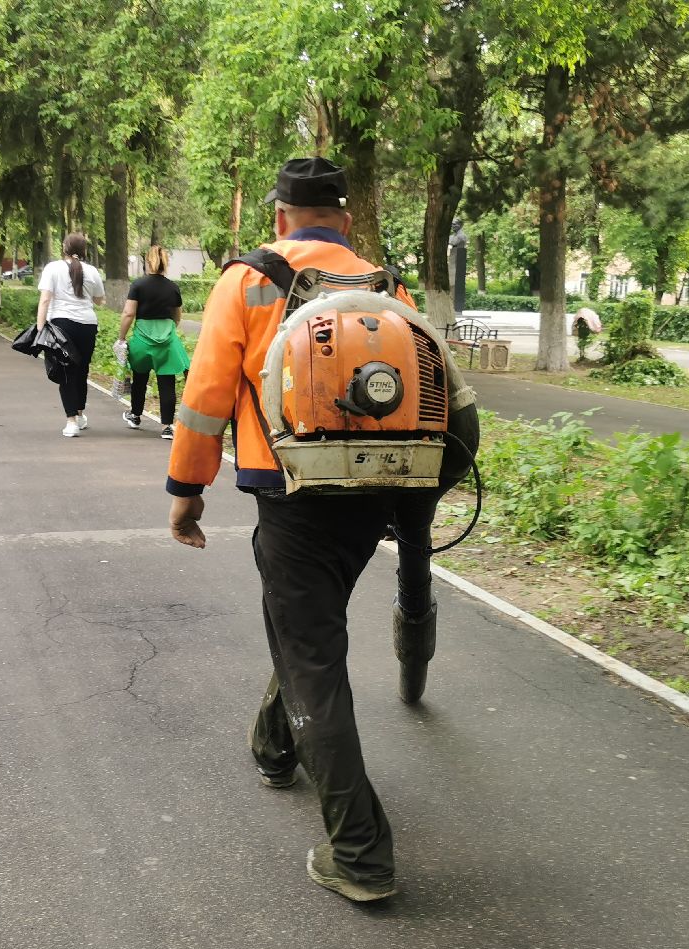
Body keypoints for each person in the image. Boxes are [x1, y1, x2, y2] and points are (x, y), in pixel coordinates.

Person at [165, 157, 478, 904]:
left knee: (312, 655)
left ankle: (360, 853)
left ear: (280, 217)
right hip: (376, 491)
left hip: (291, 494)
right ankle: (276, 745)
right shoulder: (384, 286)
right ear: (344, 219)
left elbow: (206, 395)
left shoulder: (248, 281)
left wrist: (187, 492)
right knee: (310, 622)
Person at [35, 233, 106, 437]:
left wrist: (41, 329)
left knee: (66, 371)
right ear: (84, 250)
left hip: (61, 325)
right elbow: (100, 300)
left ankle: (72, 421)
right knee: (82, 370)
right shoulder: (92, 271)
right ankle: (80, 414)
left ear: (64, 248)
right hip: (87, 325)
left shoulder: (53, 268)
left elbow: (45, 300)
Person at [117, 245, 189, 439]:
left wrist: (121, 338)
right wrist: (168, 330)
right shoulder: (173, 287)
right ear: (165, 263)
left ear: (148, 262)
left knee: (140, 378)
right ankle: (167, 427)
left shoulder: (139, 285)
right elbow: (177, 316)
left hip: (142, 339)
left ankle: (135, 416)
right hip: (166, 341)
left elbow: (129, 313)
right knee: (167, 383)